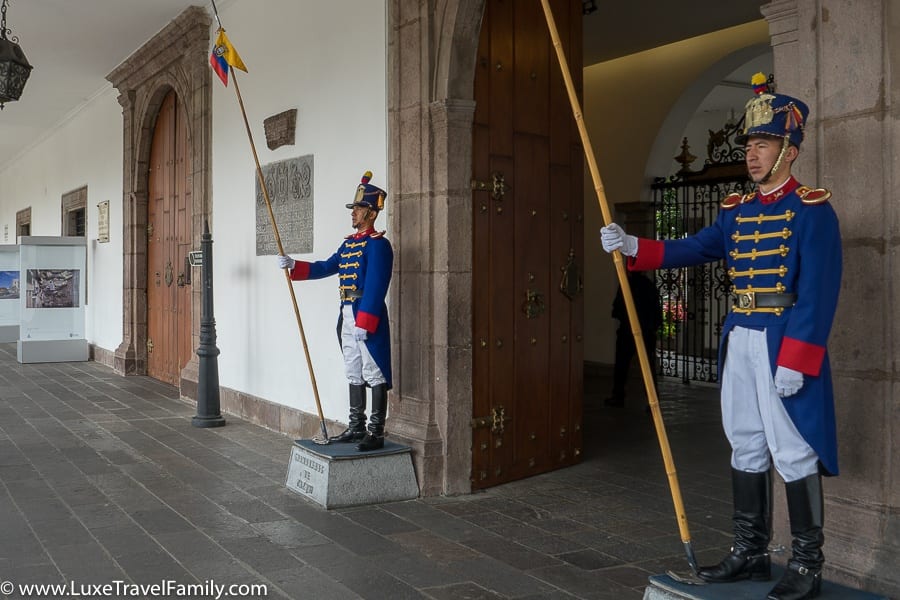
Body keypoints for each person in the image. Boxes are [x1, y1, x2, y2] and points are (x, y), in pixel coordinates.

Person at [600, 73, 841, 600]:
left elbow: (820, 292)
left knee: (792, 449)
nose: (753, 155)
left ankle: (806, 565)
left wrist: (798, 358)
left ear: (789, 151)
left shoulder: (812, 211)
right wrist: (633, 244)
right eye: (750, 145)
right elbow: (694, 249)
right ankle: (750, 554)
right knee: (747, 443)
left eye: (764, 144)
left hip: (783, 342)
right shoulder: (737, 211)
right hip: (741, 337)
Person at [277, 171, 393, 452]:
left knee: (373, 370)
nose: (353, 214)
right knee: (353, 369)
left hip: (367, 315)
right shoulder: (350, 244)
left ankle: (375, 432)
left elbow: (377, 286)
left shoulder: (379, 245)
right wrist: (295, 265)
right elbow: (326, 266)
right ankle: (356, 427)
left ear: (371, 213)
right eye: (354, 209)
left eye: (358, 209)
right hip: (348, 314)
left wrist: (366, 321)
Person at [606, 270, 663, 407]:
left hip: (628, 332)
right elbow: (657, 312)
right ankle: (653, 402)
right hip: (647, 333)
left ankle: (618, 396)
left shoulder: (627, 285)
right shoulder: (649, 286)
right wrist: (651, 327)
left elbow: (617, 308)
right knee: (648, 368)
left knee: (622, 365)